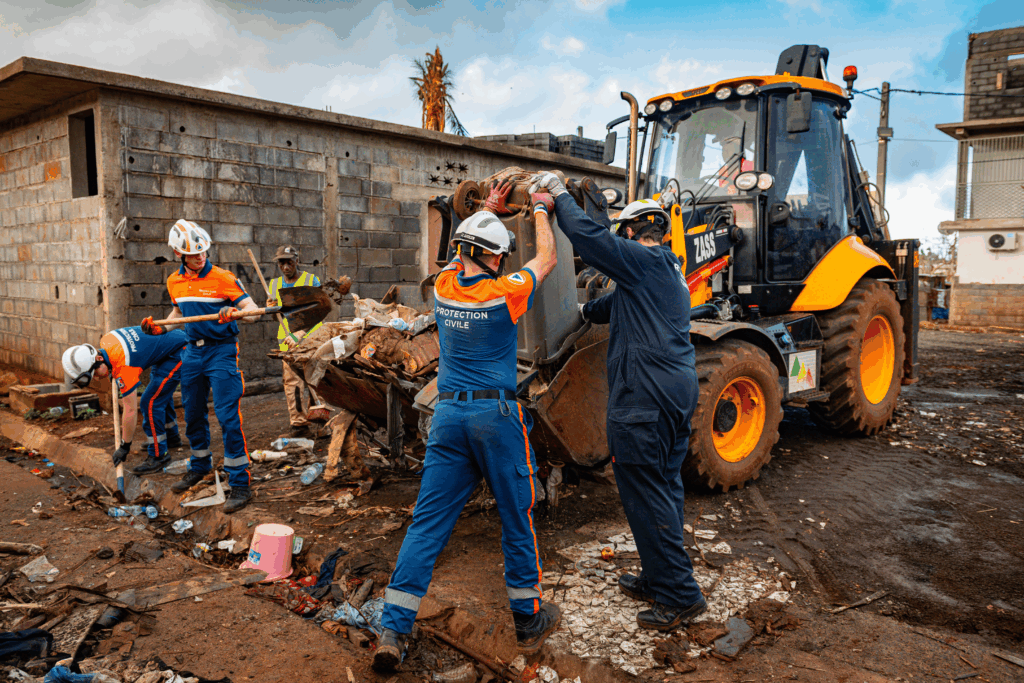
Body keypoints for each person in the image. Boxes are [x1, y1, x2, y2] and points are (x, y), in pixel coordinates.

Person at [373, 183, 560, 671]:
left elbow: (461, 251)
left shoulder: (443, 286)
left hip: (448, 418)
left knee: (427, 525)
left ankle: (393, 629)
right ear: (494, 258)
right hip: (494, 420)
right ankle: (528, 619)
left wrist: (485, 211)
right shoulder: (504, 294)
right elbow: (547, 260)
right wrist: (541, 207)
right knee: (517, 513)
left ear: (461, 252)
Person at [533, 171, 707, 632]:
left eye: (621, 235)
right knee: (663, 486)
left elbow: (591, 240)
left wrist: (557, 197)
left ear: (629, 233)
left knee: (644, 493)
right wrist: (577, 313)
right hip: (673, 391)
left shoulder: (642, 264)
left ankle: (680, 596)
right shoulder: (665, 273)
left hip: (644, 397)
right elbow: (602, 309)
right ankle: (660, 575)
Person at [140, 219, 262, 514]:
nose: (201, 257)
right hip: (191, 353)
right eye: (194, 254)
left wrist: (234, 313)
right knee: (193, 413)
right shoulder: (174, 281)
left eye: (204, 251)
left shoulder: (224, 278)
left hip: (221, 352)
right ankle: (199, 466)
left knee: (227, 416)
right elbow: (179, 312)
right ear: (178, 254)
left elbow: (254, 312)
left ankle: (241, 483)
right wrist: (162, 328)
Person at [61, 326, 188, 473]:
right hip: (170, 344)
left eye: (94, 372)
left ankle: (159, 455)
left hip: (180, 350)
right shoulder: (107, 340)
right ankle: (171, 437)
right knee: (159, 392)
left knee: (149, 403)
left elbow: (130, 410)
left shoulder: (124, 366)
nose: (96, 377)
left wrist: (125, 446)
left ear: (99, 358)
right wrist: (112, 369)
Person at [267, 245, 322, 437]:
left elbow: (319, 310)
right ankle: (299, 425)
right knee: (293, 384)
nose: (285, 266)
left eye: (289, 261)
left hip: (310, 339)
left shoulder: (311, 280)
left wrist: (300, 333)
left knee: (317, 381)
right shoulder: (274, 285)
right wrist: (272, 309)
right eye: (281, 262)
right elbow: (278, 318)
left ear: (297, 260)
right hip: (287, 342)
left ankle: (323, 422)